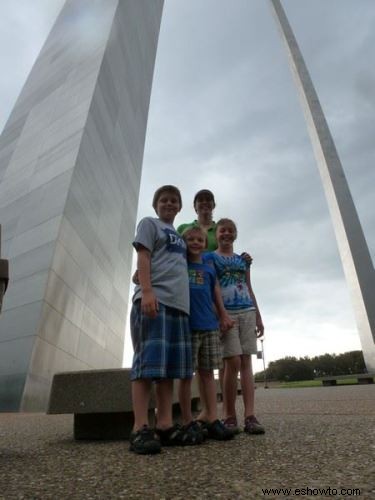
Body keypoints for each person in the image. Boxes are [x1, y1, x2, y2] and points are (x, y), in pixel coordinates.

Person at [129, 185, 193, 454]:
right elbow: (143, 257)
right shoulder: (149, 224)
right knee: (147, 366)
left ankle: (165, 424)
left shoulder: (180, 236)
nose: (169, 203)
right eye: (164, 200)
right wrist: (146, 291)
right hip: (155, 301)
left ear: (179, 207)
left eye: (174, 201)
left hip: (179, 308)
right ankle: (140, 427)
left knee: (167, 369)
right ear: (156, 205)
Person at [204, 218, 265, 435]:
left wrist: (258, 315)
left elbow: (249, 286)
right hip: (227, 314)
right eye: (222, 231)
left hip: (247, 309)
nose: (226, 234)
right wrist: (220, 315)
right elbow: (213, 287)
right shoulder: (210, 257)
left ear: (235, 234)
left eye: (230, 231)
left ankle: (250, 415)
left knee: (247, 361)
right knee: (232, 361)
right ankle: (229, 414)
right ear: (216, 234)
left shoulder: (243, 260)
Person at [178, 226, 235, 440]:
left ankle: (212, 417)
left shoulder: (209, 269)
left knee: (208, 373)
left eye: (199, 240)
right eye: (190, 239)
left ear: (204, 243)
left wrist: (222, 315)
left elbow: (215, 294)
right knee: (186, 375)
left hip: (210, 326)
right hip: (188, 326)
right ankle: (186, 421)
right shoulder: (180, 265)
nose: (195, 242)